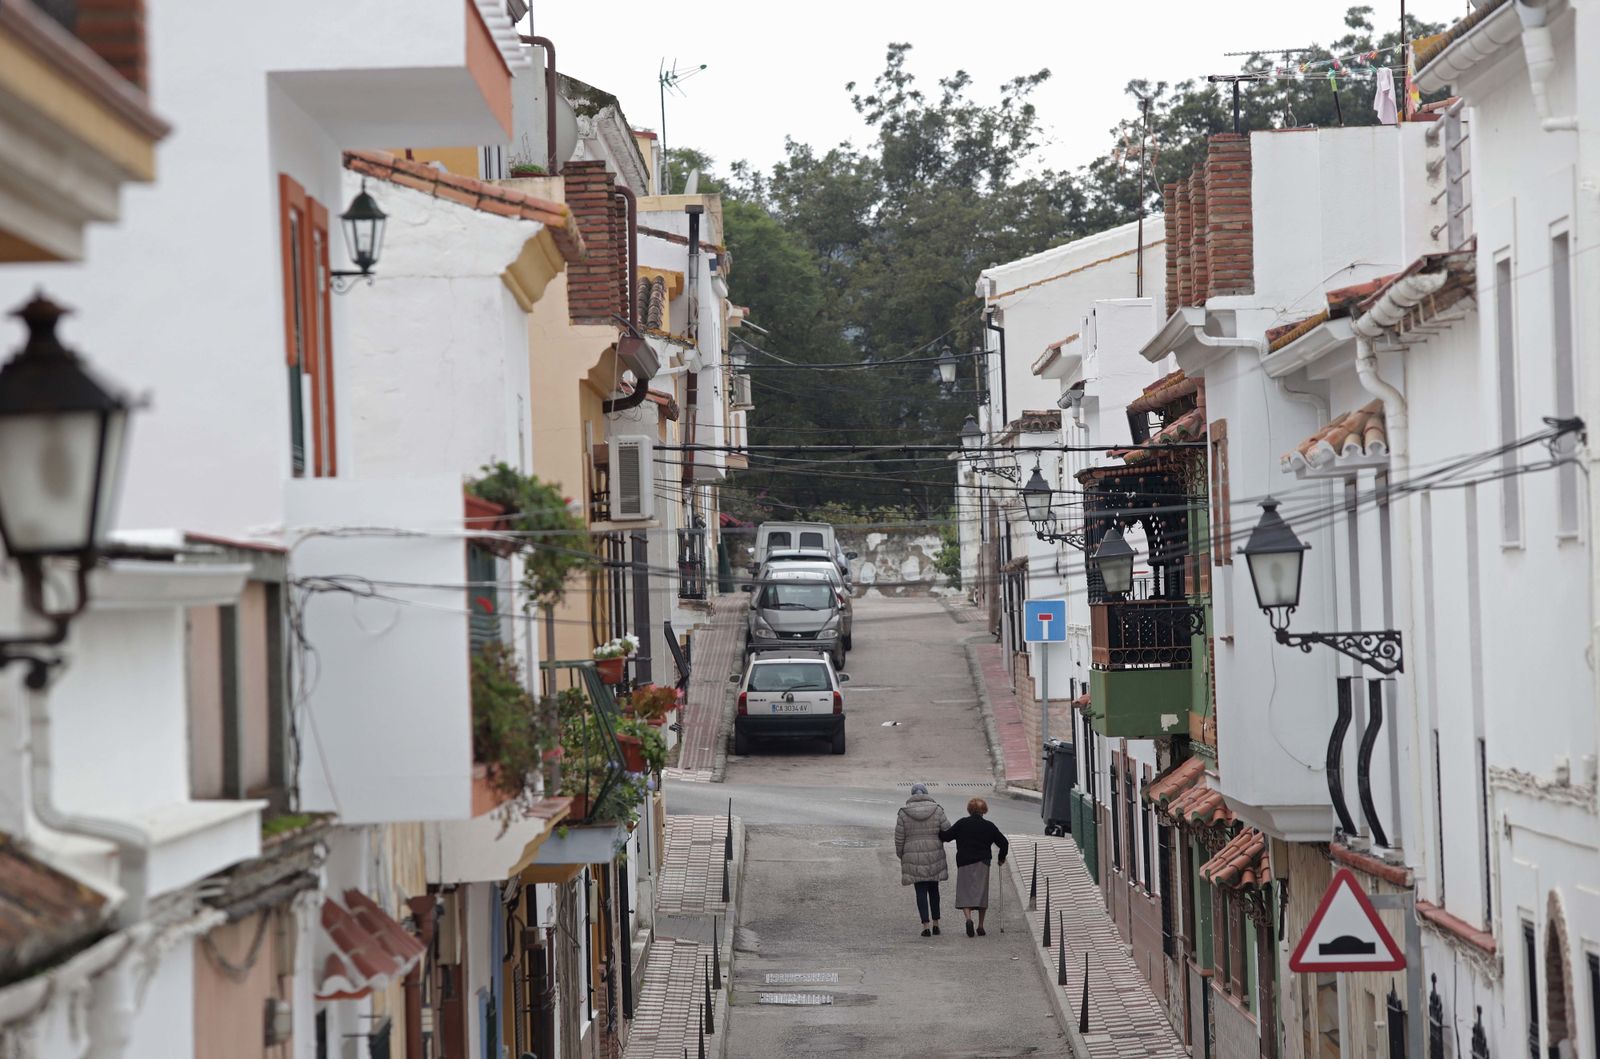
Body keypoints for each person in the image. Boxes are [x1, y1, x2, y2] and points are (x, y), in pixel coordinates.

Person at [939, 797, 1009, 937]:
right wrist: (1001, 858)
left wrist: (937, 828)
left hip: (964, 862)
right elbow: (1004, 843)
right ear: (984, 811)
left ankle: (968, 919)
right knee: (981, 893)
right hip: (983, 863)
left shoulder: (962, 823)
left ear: (969, 810)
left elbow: (946, 837)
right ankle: (981, 926)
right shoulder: (989, 826)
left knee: (965, 891)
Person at [894, 783, 951, 937]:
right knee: (934, 889)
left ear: (912, 795)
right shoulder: (937, 809)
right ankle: (936, 924)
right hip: (934, 853)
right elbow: (947, 830)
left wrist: (902, 854)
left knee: (920, 890)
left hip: (912, 855)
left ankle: (925, 926)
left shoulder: (904, 813)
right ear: (926, 793)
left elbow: (899, 837)